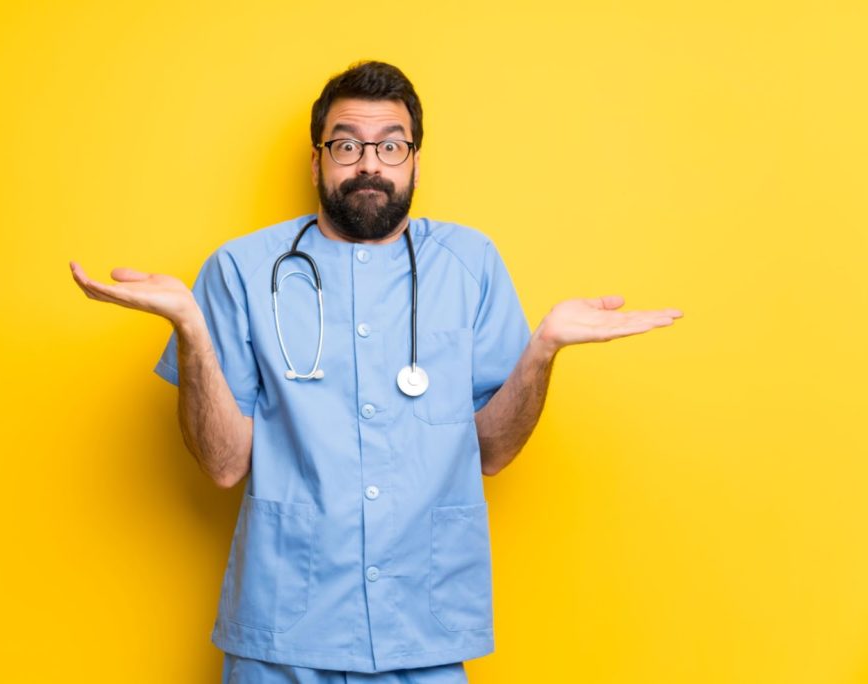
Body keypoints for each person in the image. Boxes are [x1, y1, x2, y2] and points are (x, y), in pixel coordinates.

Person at [70, 61, 682, 683]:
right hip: (284, 630)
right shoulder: (241, 269)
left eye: (391, 145)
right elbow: (224, 464)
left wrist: (544, 348)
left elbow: (491, 451)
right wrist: (191, 330)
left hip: (423, 628)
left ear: (415, 160)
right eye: (346, 145)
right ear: (318, 162)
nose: (369, 163)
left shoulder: (471, 263)